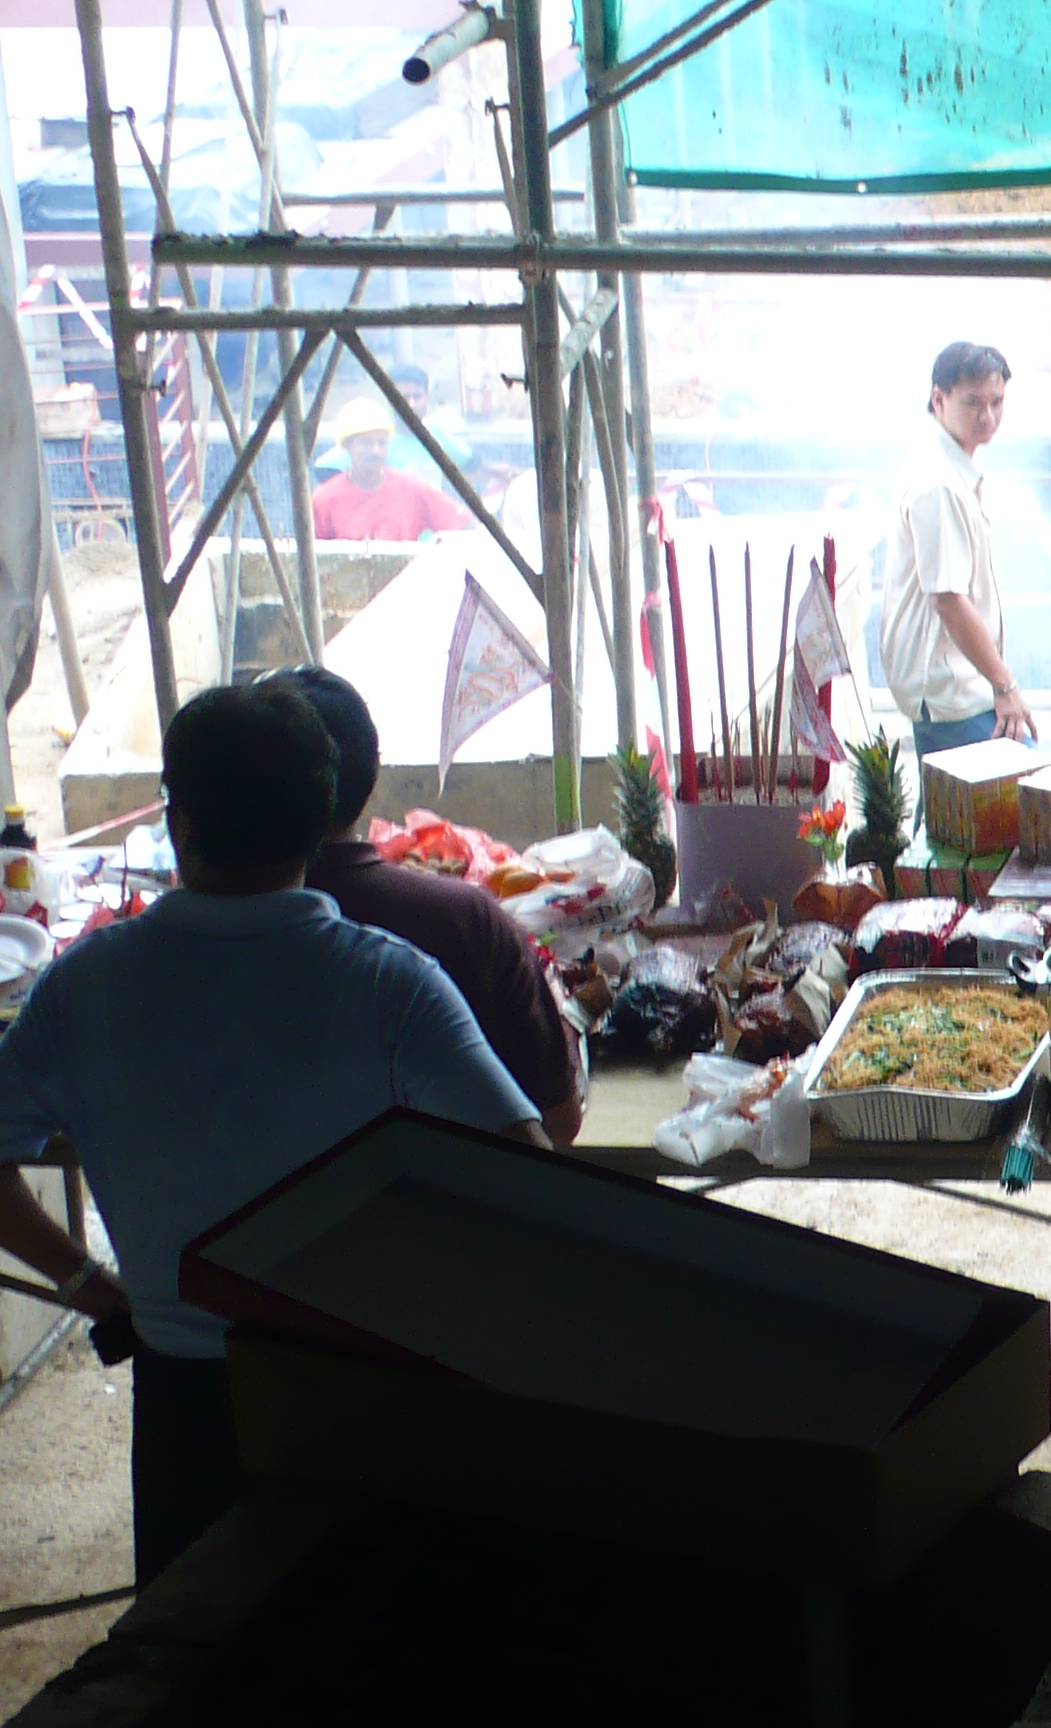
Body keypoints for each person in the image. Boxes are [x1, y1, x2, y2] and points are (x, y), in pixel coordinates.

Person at [0, 686, 547, 1586]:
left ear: (177, 824)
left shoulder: (85, 988)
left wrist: (92, 1289)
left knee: (191, 1671)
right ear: (326, 820)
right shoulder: (392, 987)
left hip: (184, 1412)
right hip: (363, 1400)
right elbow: (530, 1177)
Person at [282, 667, 585, 1147]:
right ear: (369, 774)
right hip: (456, 1212)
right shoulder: (460, 923)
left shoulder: (184, 959)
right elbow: (557, 1125)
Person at [880, 341, 1036, 757]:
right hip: (949, 692)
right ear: (938, 398)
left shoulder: (946, 462)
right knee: (1025, 788)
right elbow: (949, 600)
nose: (988, 417)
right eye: (973, 404)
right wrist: (1006, 686)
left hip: (956, 686)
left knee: (957, 813)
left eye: (997, 402)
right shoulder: (939, 483)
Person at [309, 396, 471, 543]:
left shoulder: (413, 489)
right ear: (347, 446)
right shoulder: (324, 500)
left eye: (382, 442)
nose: (376, 451)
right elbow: (313, 558)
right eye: (366, 443)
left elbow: (464, 526)